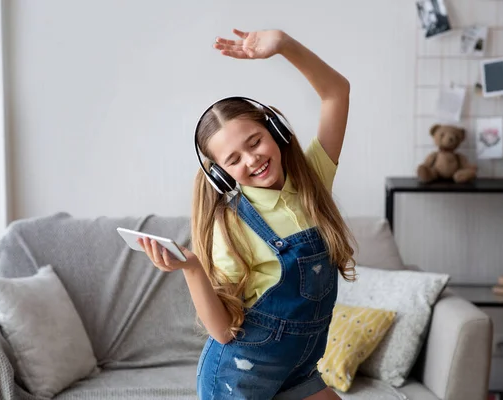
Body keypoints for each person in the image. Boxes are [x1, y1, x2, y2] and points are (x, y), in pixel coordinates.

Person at [138, 28, 357, 400]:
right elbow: (223, 332)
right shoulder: (234, 225)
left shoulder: (314, 180)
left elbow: (337, 92)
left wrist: (284, 45)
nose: (252, 159)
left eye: (254, 141)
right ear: (221, 173)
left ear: (275, 130)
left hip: (298, 369)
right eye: (233, 159)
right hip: (238, 380)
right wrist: (192, 268)